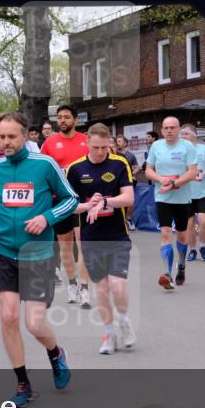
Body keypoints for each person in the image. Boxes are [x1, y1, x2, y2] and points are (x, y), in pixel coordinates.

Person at [0, 112, 77, 408]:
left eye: (11, 136)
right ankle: (22, 383)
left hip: (38, 255)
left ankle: (55, 353)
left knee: (34, 324)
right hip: (4, 253)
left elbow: (70, 199)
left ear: (27, 135)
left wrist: (46, 217)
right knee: (8, 317)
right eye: (1, 137)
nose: (5, 142)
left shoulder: (44, 164)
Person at [67, 124, 137, 355]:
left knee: (118, 286)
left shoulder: (119, 163)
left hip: (117, 235)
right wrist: (89, 205)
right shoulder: (75, 169)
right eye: (95, 147)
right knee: (102, 288)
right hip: (91, 237)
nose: (99, 152)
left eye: (104, 148)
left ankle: (124, 322)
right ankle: (108, 333)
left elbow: (128, 198)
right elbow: (71, 207)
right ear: (87, 143)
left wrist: (105, 202)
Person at [40, 105, 91, 308]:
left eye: (66, 117)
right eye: (59, 117)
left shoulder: (85, 141)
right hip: (58, 200)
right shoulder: (50, 143)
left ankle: (85, 288)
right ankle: (72, 283)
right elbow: (42, 170)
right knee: (65, 246)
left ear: (75, 120)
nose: (62, 120)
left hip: (81, 199)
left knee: (83, 244)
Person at [145, 116, 198, 289]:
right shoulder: (156, 146)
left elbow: (192, 172)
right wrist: (161, 179)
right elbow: (148, 170)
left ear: (178, 130)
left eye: (172, 128)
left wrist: (175, 183)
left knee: (182, 235)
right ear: (162, 130)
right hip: (162, 197)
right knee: (166, 232)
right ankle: (167, 274)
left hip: (183, 198)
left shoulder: (187, 146)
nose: (169, 130)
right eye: (166, 128)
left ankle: (181, 265)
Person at [181, 125, 205, 263]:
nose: (183, 136)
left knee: (204, 221)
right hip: (186, 193)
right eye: (181, 134)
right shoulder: (179, 151)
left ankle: (203, 246)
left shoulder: (204, 149)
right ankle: (192, 250)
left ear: (194, 135)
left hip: (202, 192)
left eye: (186, 134)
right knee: (189, 224)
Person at [114, 135, 139, 230]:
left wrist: (130, 174)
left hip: (129, 180)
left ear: (125, 143)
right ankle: (119, 221)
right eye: (117, 141)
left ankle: (128, 219)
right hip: (116, 181)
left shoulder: (130, 155)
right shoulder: (114, 154)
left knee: (130, 202)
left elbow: (137, 167)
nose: (118, 143)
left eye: (120, 141)